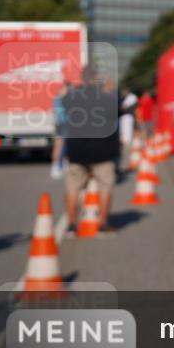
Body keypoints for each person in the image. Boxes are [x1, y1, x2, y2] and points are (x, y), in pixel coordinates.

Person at [63, 75, 121, 235]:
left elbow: (64, 102)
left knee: (73, 188)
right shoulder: (107, 99)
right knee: (105, 187)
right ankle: (103, 222)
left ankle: (71, 224)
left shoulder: (73, 98)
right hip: (102, 151)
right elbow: (117, 113)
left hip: (77, 150)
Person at [50, 81, 70, 179]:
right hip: (63, 123)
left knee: (64, 144)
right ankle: (56, 166)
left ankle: (62, 164)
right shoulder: (62, 98)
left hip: (62, 123)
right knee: (60, 145)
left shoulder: (58, 98)